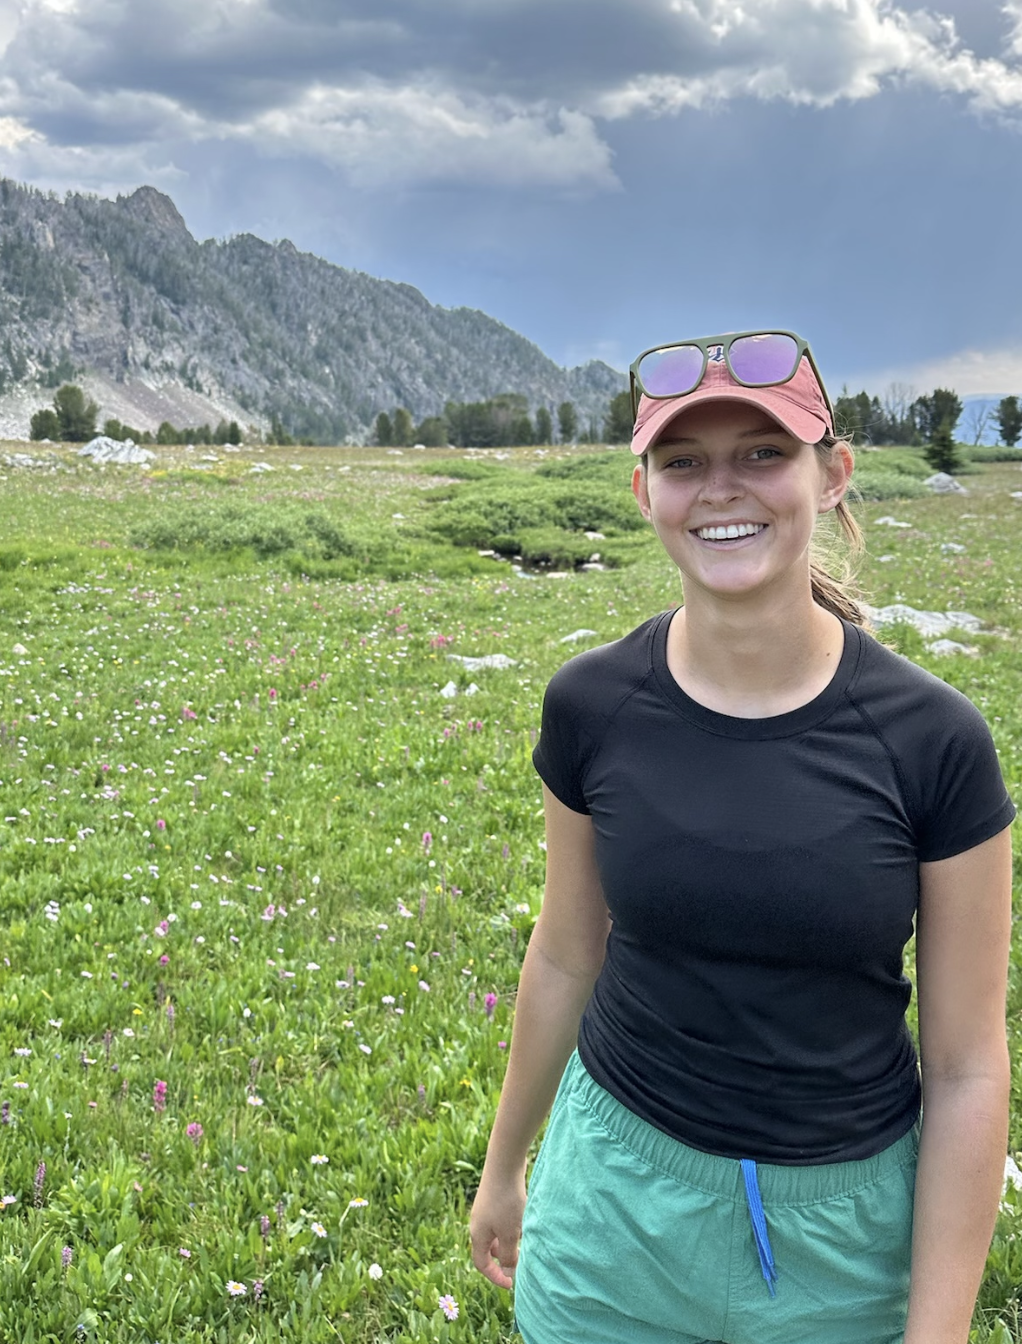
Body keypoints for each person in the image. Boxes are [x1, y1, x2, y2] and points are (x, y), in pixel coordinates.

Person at [469, 330, 1015, 1344]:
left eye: (763, 453)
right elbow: (565, 952)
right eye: (683, 462)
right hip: (610, 1212)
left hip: (843, 1243)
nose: (721, 488)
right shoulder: (591, 705)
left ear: (831, 474)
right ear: (645, 494)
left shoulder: (935, 742)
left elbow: (967, 1067)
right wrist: (505, 1168)